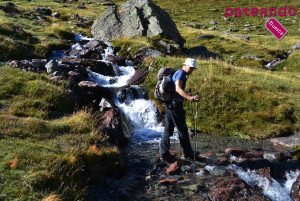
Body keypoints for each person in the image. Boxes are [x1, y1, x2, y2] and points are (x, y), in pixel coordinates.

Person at [159, 58, 200, 162]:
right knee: (182, 130)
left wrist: (185, 96)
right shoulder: (181, 73)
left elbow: (176, 91)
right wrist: (190, 98)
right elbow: (178, 88)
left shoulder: (178, 73)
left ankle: (164, 154)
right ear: (184, 65)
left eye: (193, 69)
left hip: (170, 105)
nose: (191, 70)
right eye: (190, 68)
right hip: (175, 106)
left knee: (168, 130)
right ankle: (188, 153)